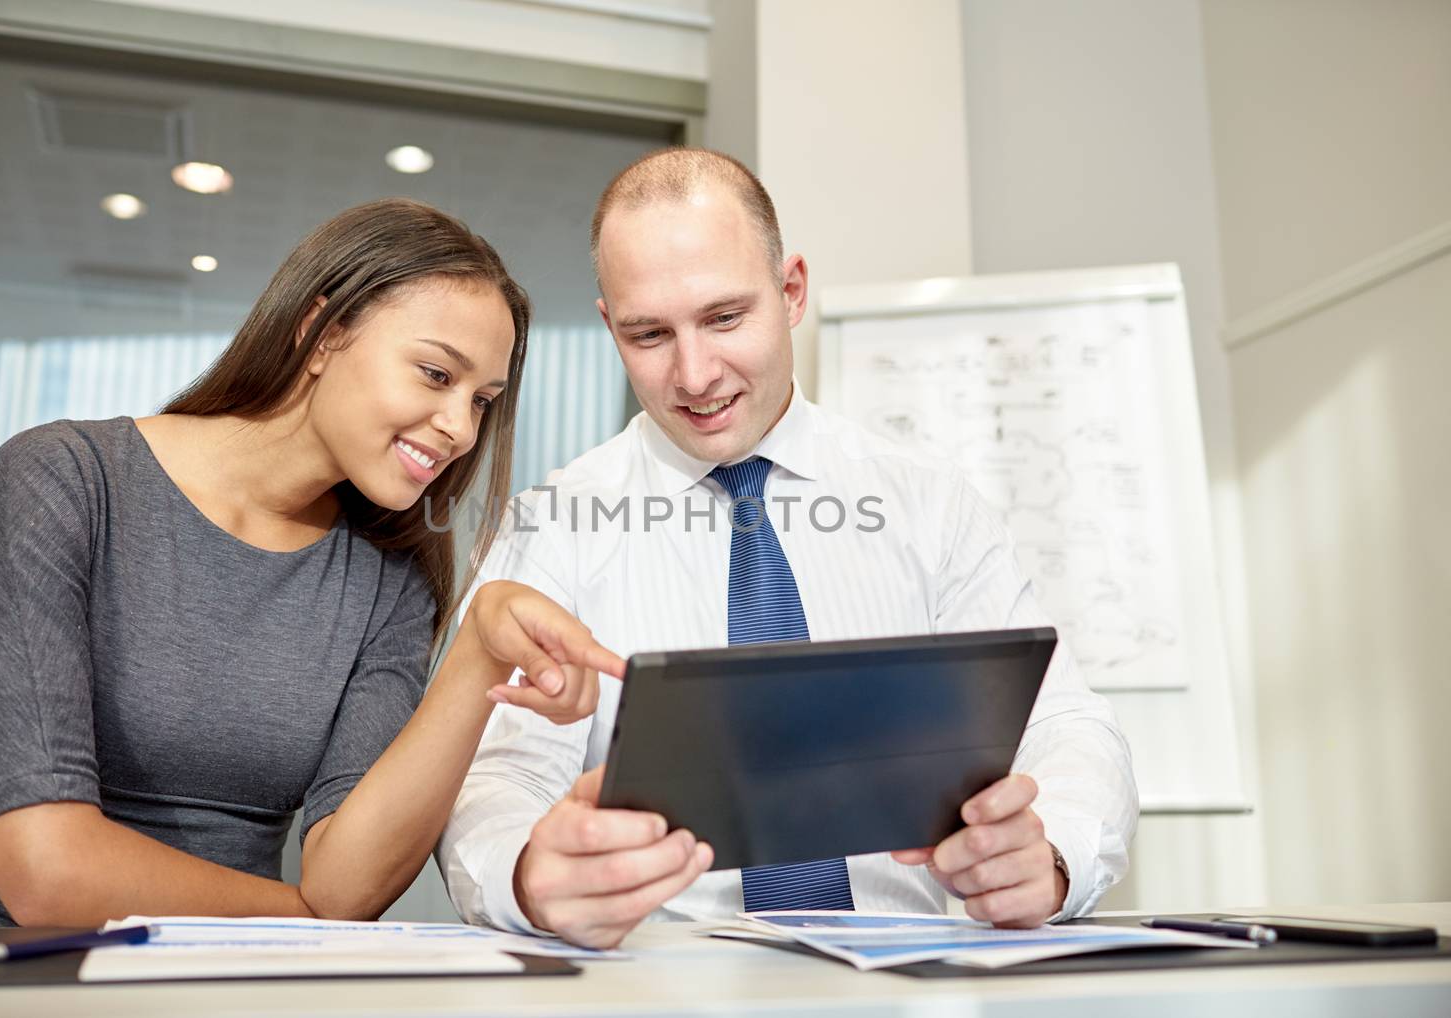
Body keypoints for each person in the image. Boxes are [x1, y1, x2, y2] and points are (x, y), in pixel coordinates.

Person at [437, 149, 1139, 949]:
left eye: (725, 318)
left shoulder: (929, 504)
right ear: (609, 327)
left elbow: (1068, 723)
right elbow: (496, 775)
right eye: (649, 335)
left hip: (904, 980)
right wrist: (529, 873)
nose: (695, 375)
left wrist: (1050, 850)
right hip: (659, 989)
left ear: (792, 290)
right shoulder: (551, 527)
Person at [0, 198, 620, 927]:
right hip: (37, 971)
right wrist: (301, 918)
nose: (460, 428)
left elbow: (349, 883)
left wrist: (480, 651)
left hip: (247, 979)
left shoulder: (390, 573)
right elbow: (44, 873)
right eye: (434, 374)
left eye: (482, 400)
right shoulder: (63, 481)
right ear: (322, 334)